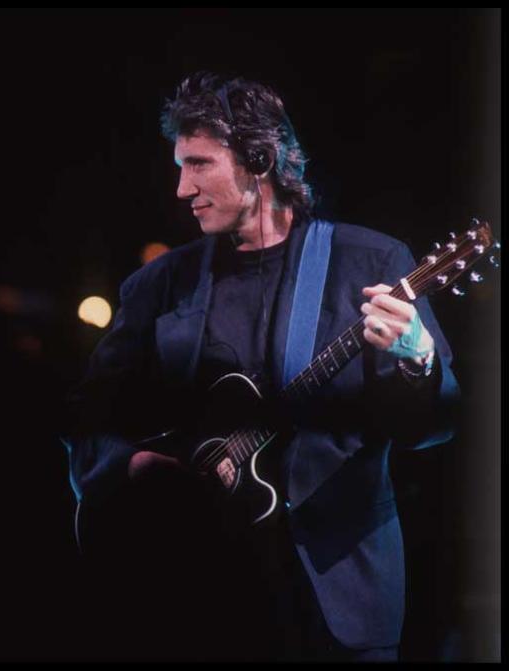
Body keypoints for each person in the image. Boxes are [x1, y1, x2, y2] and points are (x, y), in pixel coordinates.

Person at [65, 72, 459, 661]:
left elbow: (435, 423)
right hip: (194, 599)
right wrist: (133, 464)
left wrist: (418, 359)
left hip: (334, 600)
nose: (181, 188)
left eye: (198, 164)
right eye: (180, 165)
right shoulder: (159, 286)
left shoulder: (370, 261)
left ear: (258, 159)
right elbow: (88, 420)